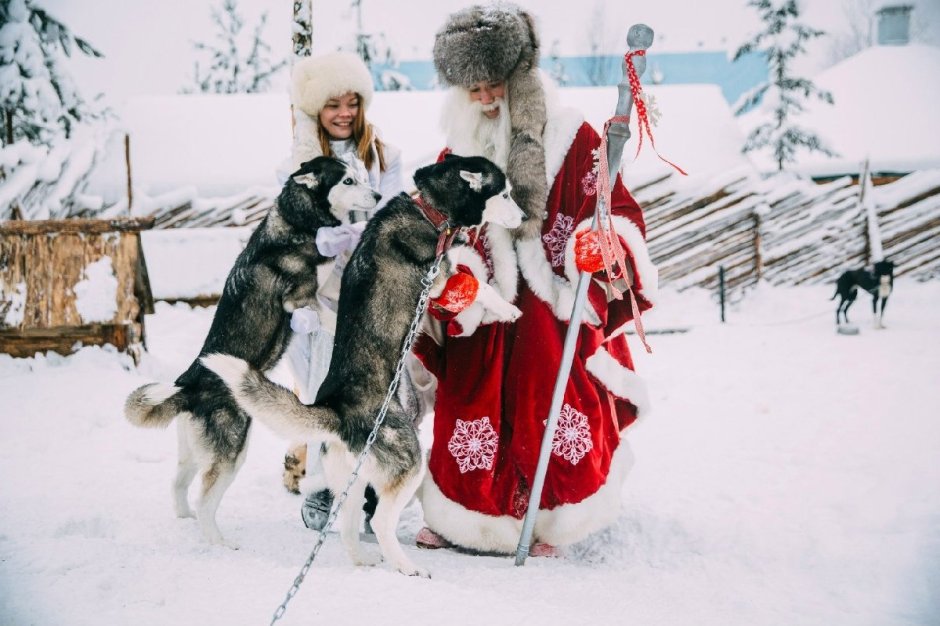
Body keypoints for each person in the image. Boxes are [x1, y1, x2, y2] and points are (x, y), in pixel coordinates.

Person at [412, 4, 658, 556]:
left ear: (519, 78)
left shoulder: (574, 138)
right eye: (471, 88)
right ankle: (462, 518)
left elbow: (612, 208)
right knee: (468, 406)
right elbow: (439, 231)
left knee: (546, 403)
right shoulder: (456, 153)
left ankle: (551, 522)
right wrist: (454, 274)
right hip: (482, 309)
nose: (484, 99)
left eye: (493, 84)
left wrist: (603, 244)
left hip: (551, 313)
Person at [278, 51, 405, 530]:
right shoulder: (295, 166)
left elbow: (391, 217)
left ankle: (369, 489)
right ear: (315, 109)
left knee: (373, 392)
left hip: (370, 291)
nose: (344, 113)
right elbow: (289, 231)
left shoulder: (385, 158)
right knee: (317, 391)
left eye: (352, 102)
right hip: (318, 295)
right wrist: (322, 242)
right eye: (333, 104)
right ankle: (319, 485)